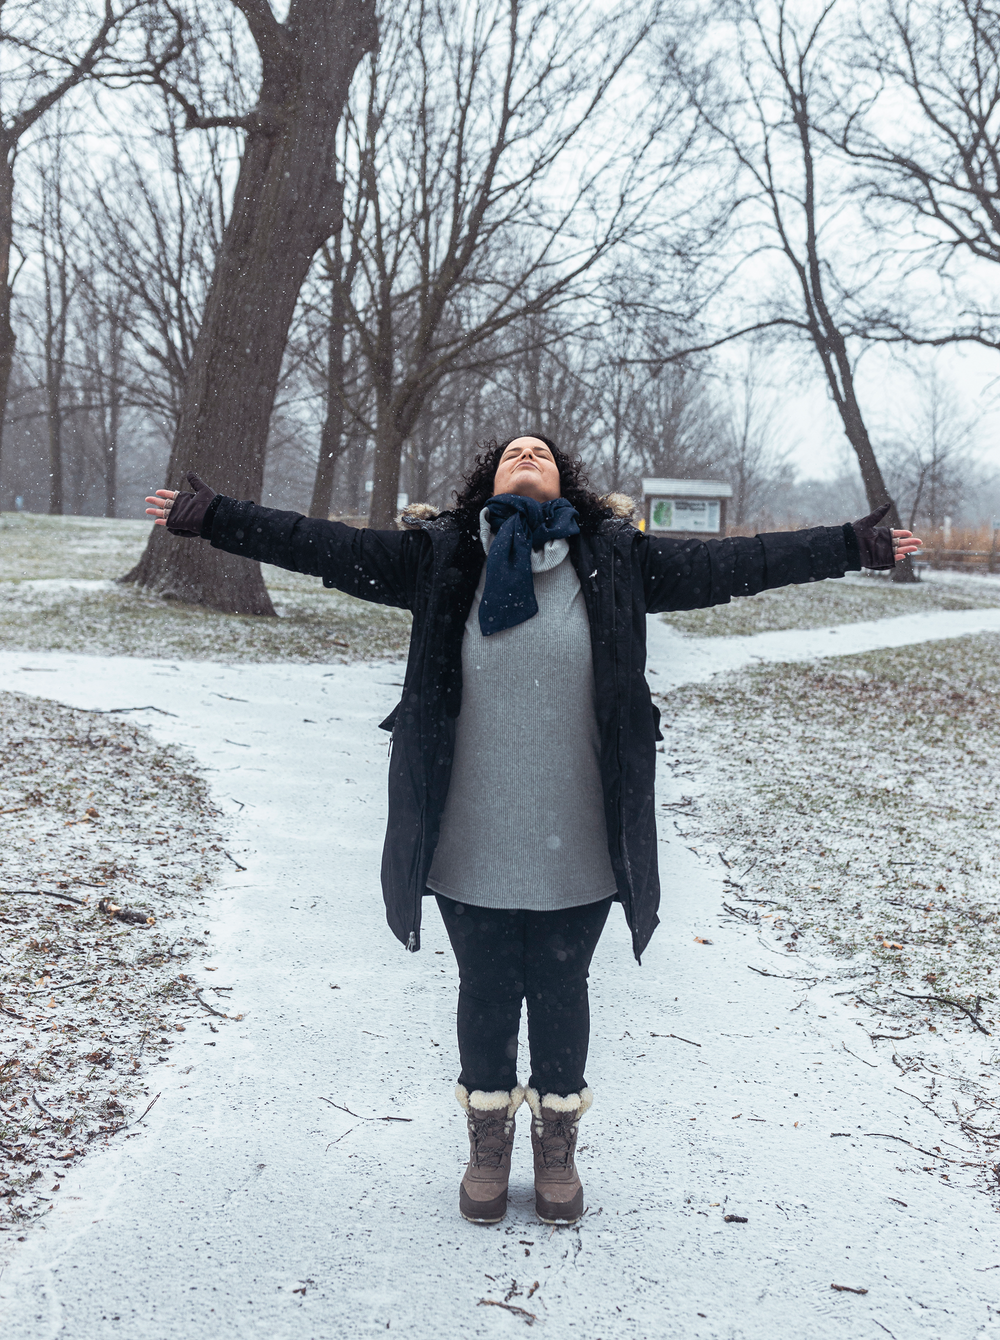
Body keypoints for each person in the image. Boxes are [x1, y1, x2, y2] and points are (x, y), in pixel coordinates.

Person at [146, 438, 921, 1225]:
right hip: (467, 829)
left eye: (539, 452)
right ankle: (487, 1146)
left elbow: (741, 564)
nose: (525, 453)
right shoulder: (442, 558)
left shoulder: (616, 561)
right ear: (488, 478)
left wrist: (851, 545)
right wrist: (215, 518)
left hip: (578, 830)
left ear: (565, 483)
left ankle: (556, 1149)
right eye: (513, 450)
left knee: (560, 988)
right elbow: (320, 544)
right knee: (484, 988)